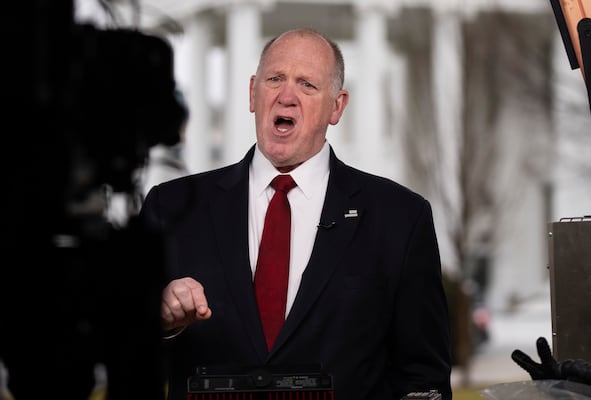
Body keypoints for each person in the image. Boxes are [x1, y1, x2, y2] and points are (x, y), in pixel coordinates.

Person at [139, 27, 453, 400]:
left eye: (307, 85)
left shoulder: (400, 218)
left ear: (336, 106)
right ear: (253, 92)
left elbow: (424, 382)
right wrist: (159, 322)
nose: (286, 96)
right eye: (275, 79)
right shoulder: (172, 206)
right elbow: (117, 352)